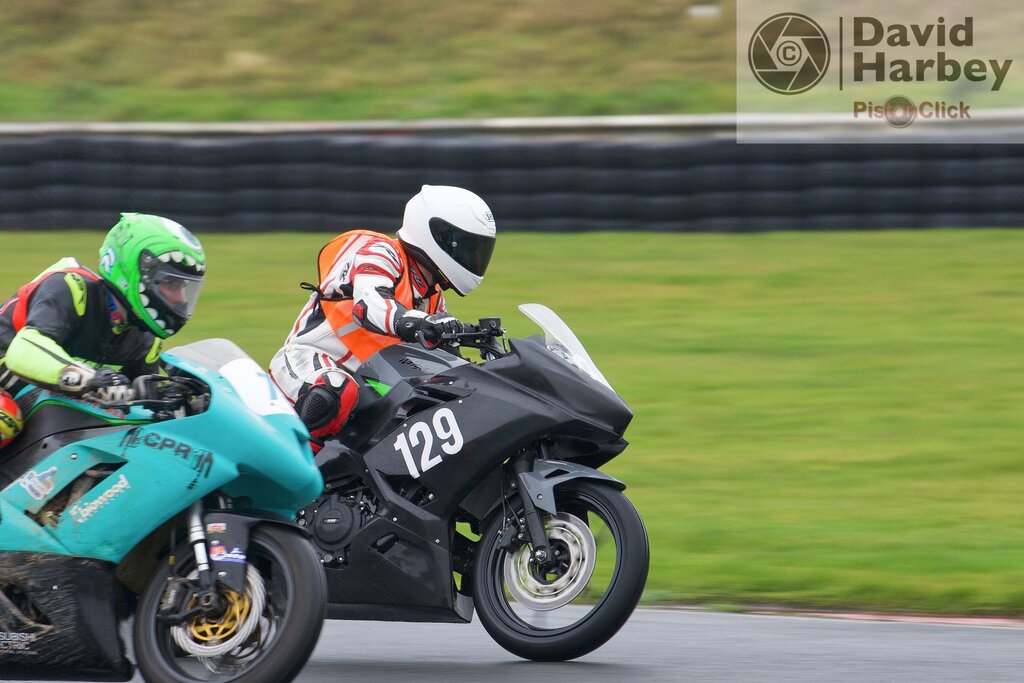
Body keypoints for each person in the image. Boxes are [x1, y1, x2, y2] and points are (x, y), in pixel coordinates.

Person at [269, 185, 496, 449]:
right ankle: (294, 479)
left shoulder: (431, 296)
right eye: (466, 246)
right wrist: (421, 323)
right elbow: (370, 304)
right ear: (436, 234)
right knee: (335, 390)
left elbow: (444, 356)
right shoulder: (381, 253)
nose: (473, 257)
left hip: (371, 380)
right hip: (309, 361)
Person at [0, 213, 206, 444]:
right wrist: (91, 379)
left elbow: (140, 406)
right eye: (170, 283)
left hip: (33, 394)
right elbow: (23, 353)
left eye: (183, 287)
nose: (180, 299)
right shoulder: (72, 287)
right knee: (5, 419)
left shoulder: (147, 339)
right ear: (133, 272)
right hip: (6, 375)